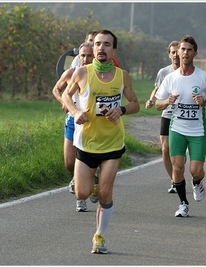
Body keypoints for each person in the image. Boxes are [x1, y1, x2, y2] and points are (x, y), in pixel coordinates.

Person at [62, 29, 140, 254]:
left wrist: (122, 109)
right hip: (86, 142)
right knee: (82, 193)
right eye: (98, 44)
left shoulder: (121, 75)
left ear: (113, 50)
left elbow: (135, 103)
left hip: (113, 143)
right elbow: (66, 95)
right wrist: (76, 111)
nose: (102, 48)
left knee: (105, 193)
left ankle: (100, 235)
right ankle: (92, 185)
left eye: (107, 44)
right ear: (92, 47)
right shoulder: (82, 73)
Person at [155, 35, 206, 217]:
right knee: (177, 167)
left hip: (197, 130)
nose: (184, 53)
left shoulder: (203, 77)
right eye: (182, 50)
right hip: (177, 128)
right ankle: (183, 203)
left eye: (188, 50)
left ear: (195, 53)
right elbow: (157, 103)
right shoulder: (171, 78)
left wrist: (205, 101)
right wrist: (167, 101)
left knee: (195, 170)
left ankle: (197, 182)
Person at [52, 42, 95, 212]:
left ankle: (81, 197)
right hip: (72, 120)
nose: (85, 59)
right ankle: (82, 181)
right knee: (70, 163)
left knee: (84, 160)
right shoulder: (71, 73)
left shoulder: (100, 76)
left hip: (91, 123)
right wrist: (65, 102)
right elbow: (56, 89)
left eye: (89, 55)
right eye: (82, 55)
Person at [145, 41, 180, 193]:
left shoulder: (189, 72)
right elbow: (157, 89)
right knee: (165, 149)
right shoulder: (163, 72)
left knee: (176, 151)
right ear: (169, 55)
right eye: (172, 52)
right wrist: (151, 100)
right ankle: (174, 180)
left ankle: (179, 174)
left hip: (182, 116)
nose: (176, 55)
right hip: (167, 113)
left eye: (178, 52)